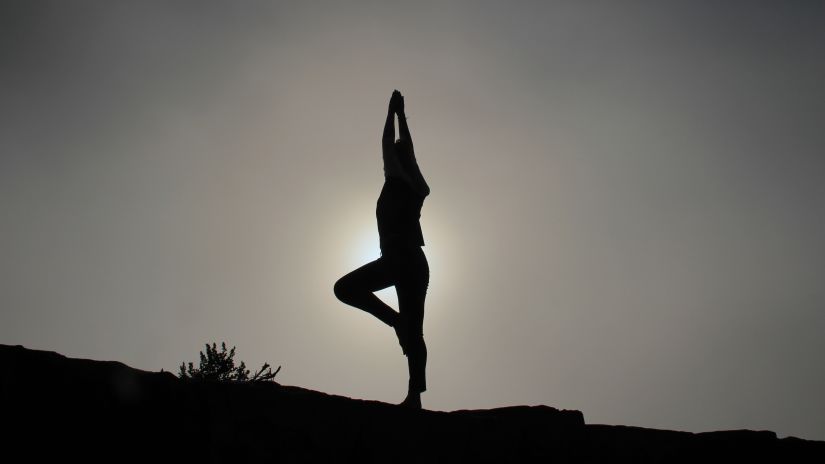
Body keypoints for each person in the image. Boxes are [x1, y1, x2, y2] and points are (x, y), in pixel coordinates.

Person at [334, 89, 431, 409]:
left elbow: (390, 146)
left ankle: (395, 322)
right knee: (415, 331)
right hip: (417, 262)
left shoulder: (397, 178)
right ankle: (415, 396)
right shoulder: (418, 187)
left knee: (345, 288)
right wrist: (403, 116)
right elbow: (408, 149)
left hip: (399, 257)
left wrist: (392, 115)